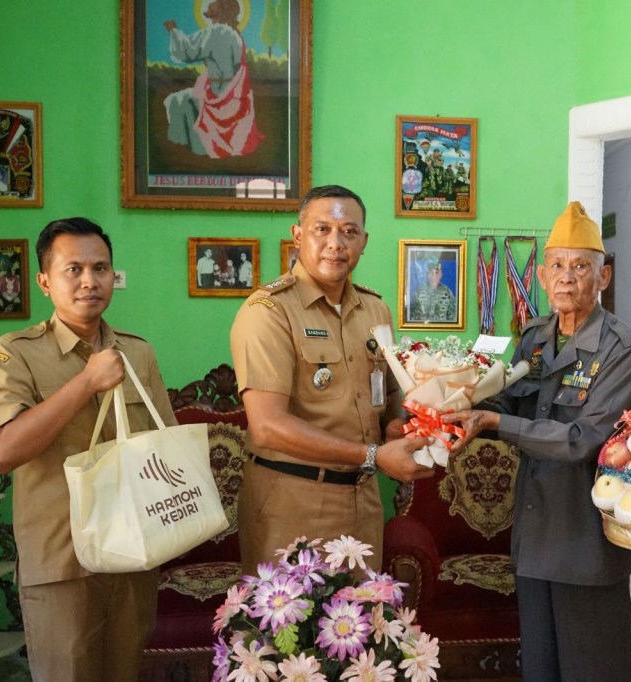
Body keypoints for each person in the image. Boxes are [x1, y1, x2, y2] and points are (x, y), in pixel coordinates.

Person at [446, 201, 631, 682]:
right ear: (540, 275)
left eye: (582, 266)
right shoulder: (534, 338)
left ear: (604, 277)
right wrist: (457, 402)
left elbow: (586, 439)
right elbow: (509, 405)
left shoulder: (623, 348)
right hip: (534, 536)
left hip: (586, 541)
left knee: (594, 670)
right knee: (541, 669)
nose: (567, 277)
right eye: (557, 265)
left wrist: (493, 424)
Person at [0, 217, 177, 681]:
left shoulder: (138, 352)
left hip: (133, 555)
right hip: (61, 560)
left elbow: (163, 446)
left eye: (101, 268)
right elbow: (2, 452)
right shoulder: (13, 353)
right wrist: (86, 381)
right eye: (74, 270)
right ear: (44, 281)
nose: (90, 280)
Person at [229, 184, 434, 572]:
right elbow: (268, 426)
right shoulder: (269, 312)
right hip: (292, 501)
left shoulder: (375, 310)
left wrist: (400, 427)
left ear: (364, 240)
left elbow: (390, 393)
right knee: (291, 627)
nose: (336, 243)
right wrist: (373, 454)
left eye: (349, 232)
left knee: (359, 625)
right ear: (298, 235)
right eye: (322, 229)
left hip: (362, 498)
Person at [163, 0, 264, 158]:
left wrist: (173, 30)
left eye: (214, 4)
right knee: (184, 98)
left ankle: (187, 149)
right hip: (234, 94)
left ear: (222, 10)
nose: (209, 5)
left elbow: (186, 52)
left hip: (220, 95)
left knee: (175, 100)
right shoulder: (234, 33)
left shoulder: (217, 32)